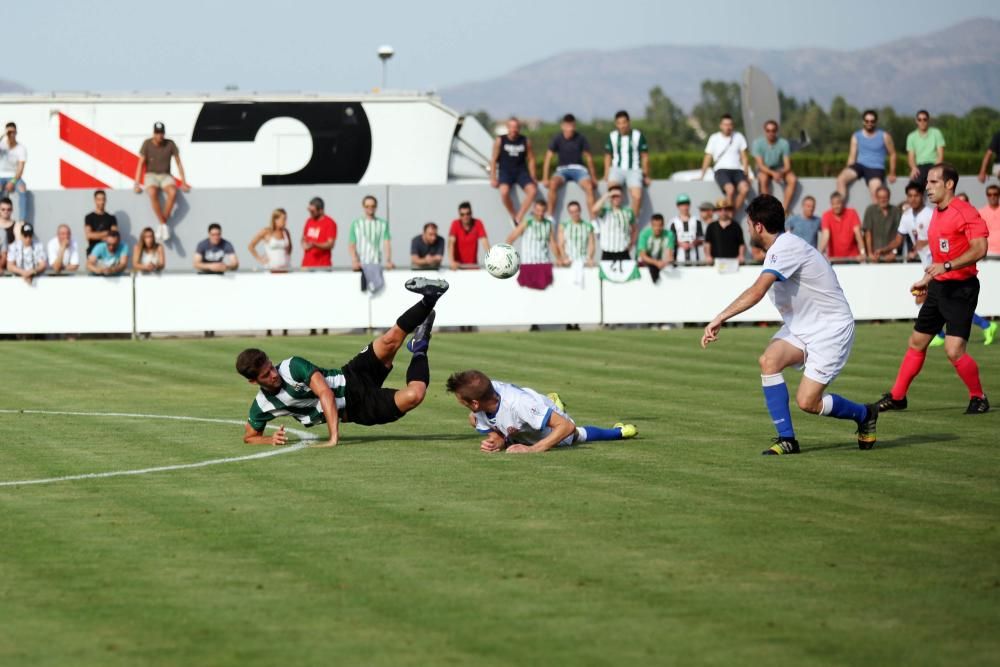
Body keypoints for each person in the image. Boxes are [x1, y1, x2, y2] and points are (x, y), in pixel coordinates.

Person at [701, 194, 879, 455]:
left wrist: (719, 317)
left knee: (808, 402)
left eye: (749, 223)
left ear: (758, 226)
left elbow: (757, 291)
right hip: (803, 326)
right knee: (769, 361)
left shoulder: (785, 247)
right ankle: (787, 439)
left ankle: (865, 414)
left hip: (830, 329)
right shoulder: (780, 248)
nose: (748, 228)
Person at [235, 277, 449, 447]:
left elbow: (325, 393)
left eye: (271, 367)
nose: (273, 373)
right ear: (254, 382)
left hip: (353, 374)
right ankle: (420, 348)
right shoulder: (263, 405)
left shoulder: (292, 366)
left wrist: (333, 438)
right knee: (415, 395)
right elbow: (250, 436)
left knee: (390, 339)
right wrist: (269, 439)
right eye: (265, 375)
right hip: (358, 408)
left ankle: (430, 298)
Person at [875, 163, 990, 415]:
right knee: (916, 341)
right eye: (927, 182)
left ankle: (978, 397)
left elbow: (980, 249)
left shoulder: (965, 212)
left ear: (949, 184)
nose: (927, 187)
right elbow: (937, 260)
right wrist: (925, 281)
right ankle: (897, 397)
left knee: (953, 350)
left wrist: (947, 266)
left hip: (962, 289)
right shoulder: (936, 213)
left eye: (934, 182)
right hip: (939, 287)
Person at [445, 369, 637, 454]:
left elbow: (566, 427)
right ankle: (548, 406)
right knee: (473, 419)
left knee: (575, 435)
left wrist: (533, 449)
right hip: (526, 416)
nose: (458, 401)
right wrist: (496, 441)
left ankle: (619, 432)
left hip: (540, 417)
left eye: (460, 399)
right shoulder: (484, 394)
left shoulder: (518, 404)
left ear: (476, 402)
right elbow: (493, 429)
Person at [133, 121, 190, 242]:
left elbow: (178, 163)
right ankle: (164, 224)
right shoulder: (147, 144)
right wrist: (136, 184)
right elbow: (140, 164)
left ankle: (162, 224)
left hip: (165, 175)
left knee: (173, 192)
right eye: (157, 133)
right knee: (152, 192)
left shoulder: (170, 144)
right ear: (153, 133)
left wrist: (183, 182)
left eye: (161, 133)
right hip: (151, 174)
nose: (160, 136)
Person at [836, 110, 897, 204]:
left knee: (876, 193)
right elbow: (852, 156)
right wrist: (847, 169)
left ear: (876, 122)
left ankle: (877, 217)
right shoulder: (856, 136)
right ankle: (839, 208)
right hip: (860, 165)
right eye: (867, 121)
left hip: (876, 168)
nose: (869, 123)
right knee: (841, 179)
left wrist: (892, 172)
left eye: (872, 121)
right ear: (863, 121)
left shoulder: (884, 136)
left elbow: (893, 154)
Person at [543, 113, 597, 217]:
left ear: (574, 126)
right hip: (562, 170)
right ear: (562, 126)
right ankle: (550, 217)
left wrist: (593, 177)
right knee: (553, 183)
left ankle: (593, 219)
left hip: (579, 170)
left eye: (572, 126)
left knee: (589, 186)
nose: (570, 129)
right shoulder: (557, 139)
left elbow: (589, 158)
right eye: (567, 126)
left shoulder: (581, 138)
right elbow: (548, 158)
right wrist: (545, 178)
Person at [603, 110, 650, 221]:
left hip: (634, 169)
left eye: (624, 122)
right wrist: (606, 173)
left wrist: (646, 174)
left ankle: (632, 222)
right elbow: (608, 156)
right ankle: (612, 219)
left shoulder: (638, 135)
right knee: (612, 191)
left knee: (637, 196)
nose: (622, 125)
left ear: (628, 122)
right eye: (619, 123)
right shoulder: (612, 136)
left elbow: (645, 156)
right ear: (616, 124)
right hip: (617, 169)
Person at [699, 114, 750, 212]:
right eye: (725, 124)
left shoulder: (739, 137)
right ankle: (728, 215)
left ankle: (732, 214)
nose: (728, 127)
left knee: (745, 189)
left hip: (737, 169)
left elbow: (744, 157)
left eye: (730, 124)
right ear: (721, 126)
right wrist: (702, 175)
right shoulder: (714, 138)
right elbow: (708, 157)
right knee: (730, 190)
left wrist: (746, 172)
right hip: (721, 169)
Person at [490, 117, 537, 224]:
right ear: (507, 128)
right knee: (504, 192)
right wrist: (493, 177)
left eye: (516, 127)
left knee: (532, 191)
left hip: (521, 172)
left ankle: (519, 216)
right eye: (511, 127)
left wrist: (533, 176)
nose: (513, 130)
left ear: (519, 128)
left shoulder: (525, 141)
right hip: (506, 172)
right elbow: (493, 159)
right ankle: (513, 215)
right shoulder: (500, 140)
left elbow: (531, 159)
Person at [507, 199, 558, 290]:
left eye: (543, 211)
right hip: (529, 264)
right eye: (538, 210)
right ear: (534, 210)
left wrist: (559, 258)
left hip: (544, 264)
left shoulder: (548, 224)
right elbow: (510, 239)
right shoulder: (527, 222)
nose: (540, 213)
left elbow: (552, 244)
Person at [752, 120, 798, 213]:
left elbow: (787, 165)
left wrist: (780, 173)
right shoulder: (757, 143)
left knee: (793, 179)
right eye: (768, 130)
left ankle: (783, 210)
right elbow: (760, 165)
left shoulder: (783, 143)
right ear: (765, 131)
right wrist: (773, 173)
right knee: (763, 179)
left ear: (776, 131)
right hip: (764, 169)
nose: (771, 133)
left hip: (779, 168)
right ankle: (767, 209)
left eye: (773, 130)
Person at [348, 195, 393, 271]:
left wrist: (388, 260)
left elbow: (387, 243)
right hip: (361, 265)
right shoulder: (356, 224)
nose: (370, 208)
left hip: (376, 264)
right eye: (367, 206)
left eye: (373, 206)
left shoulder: (383, 224)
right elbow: (352, 244)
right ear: (363, 207)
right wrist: (354, 260)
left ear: (376, 207)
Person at [591, 185, 637, 260]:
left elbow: (634, 229)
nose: (616, 198)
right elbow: (594, 210)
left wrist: (631, 244)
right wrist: (606, 196)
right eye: (613, 196)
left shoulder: (628, 212)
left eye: (618, 196)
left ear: (622, 197)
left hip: (623, 251)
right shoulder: (605, 211)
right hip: (607, 251)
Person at [819, 192, 864, 262]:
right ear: (831, 204)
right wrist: (819, 254)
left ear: (843, 203)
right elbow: (825, 236)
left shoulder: (852, 213)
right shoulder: (826, 215)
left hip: (852, 257)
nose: (836, 206)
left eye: (838, 203)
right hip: (834, 259)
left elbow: (858, 234)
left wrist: (863, 253)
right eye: (833, 204)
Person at [862, 186, 902, 262]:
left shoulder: (896, 211)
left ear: (889, 197)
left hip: (891, 256)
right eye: (880, 197)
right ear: (876, 198)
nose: (883, 200)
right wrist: (870, 253)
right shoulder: (870, 210)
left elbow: (899, 235)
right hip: (875, 256)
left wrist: (894, 252)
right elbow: (868, 234)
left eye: (885, 197)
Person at [906, 111, 945, 186]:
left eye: (924, 119)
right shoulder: (911, 137)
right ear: (916, 121)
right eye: (919, 119)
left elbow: (940, 155)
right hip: (919, 167)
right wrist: (913, 168)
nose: (922, 122)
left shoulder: (936, 133)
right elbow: (911, 157)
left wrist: (935, 169)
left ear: (928, 120)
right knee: (913, 187)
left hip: (934, 165)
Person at [448, 201, 490, 270]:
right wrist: (452, 262)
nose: (465, 216)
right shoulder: (455, 224)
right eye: (462, 214)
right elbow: (451, 243)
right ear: (459, 215)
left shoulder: (478, 223)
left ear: (471, 213)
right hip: (458, 268)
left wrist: (492, 260)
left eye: (468, 214)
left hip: (473, 268)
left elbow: (485, 242)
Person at [0, 122, 28, 221]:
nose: (11, 134)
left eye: (13, 132)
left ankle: (22, 220)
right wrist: (3, 134)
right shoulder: (2, 146)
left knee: (22, 188)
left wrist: (13, 181)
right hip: (1, 176)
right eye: (9, 132)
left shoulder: (21, 148)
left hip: (14, 176)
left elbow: (20, 168)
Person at [703, 199, 745, 265]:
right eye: (720, 209)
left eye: (726, 209)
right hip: (715, 263)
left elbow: (741, 244)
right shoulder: (711, 226)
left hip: (733, 262)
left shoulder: (736, 226)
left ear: (729, 210)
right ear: (716, 211)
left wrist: (741, 255)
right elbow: (707, 243)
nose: (723, 212)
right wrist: (708, 256)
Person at [301, 197, 337, 268]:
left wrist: (314, 244)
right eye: (309, 211)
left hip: (322, 266)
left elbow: (330, 244)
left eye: (312, 211)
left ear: (321, 210)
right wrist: (303, 244)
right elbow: (303, 238)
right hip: (306, 265)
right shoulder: (309, 221)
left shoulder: (330, 223)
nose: (310, 213)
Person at [637, 213, 674, 282]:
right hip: (646, 263)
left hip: (661, 263)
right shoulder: (644, 234)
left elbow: (670, 255)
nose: (657, 228)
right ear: (651, 225)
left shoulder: (669, 234)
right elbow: (643, 256)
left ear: (663, 225)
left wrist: (664, 262)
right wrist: (656, 263)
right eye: (655, 226)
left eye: (660, 226)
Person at [558, 201, 596, 267]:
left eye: (576, 211)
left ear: (580, 210)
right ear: (569, 213)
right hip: (569, 260)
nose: (574, 214)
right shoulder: (564, 225)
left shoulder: (588, 225)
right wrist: (564, 257)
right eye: (572, 212)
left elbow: (591, 244)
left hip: (583, 260)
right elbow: (561, 244)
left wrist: (590, 258)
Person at [669, 194, 704, 265]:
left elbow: (701, 238)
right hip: (678, 259)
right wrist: (680, 244)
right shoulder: (673, 222)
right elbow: (671, 240)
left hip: (694, 258)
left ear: (689, 205)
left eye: (686, 204)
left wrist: (694, 243)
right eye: (681, 205)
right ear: (678, 206)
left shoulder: (697, 221)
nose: (684, 207)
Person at [83, 190, 118, 255]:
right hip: (93, 251)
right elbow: (88, 236)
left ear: (106, 200)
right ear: (95, 200)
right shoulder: (89, 217)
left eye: (103, 199)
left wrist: (96, 235)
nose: (101, 202)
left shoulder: (111, 218)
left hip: (108, 252)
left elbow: (115, 235)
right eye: (99, 199)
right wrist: (106, 233)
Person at [980, 184, 1000, 258]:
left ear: (999, 195)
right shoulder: (980, 213)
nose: (992, 197)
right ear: (987, 196)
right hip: (988, 253)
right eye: (989, 194)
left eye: (995, 194)